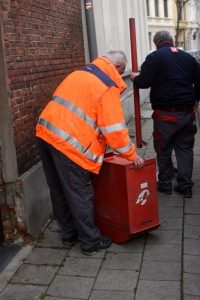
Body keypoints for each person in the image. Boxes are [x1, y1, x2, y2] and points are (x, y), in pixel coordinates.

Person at [36, 50, 144, 255]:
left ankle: (68, 234)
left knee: (59, 189)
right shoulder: (106, 86)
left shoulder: (80, 73)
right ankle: (91, 241)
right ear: (119, 68)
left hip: (45, 132)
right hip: (68, 143)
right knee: (80, 191)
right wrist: (132, 155)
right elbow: (114, 130)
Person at [130, 31, 200, 198]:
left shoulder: (154, 57)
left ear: (156, 43)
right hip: (186, 113)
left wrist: (134, 78)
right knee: (185, 149)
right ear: (172, 41)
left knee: (163, 148)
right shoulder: (188, 58)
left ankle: (165, 184)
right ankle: (185, 185)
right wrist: (195, 101)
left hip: (165, 114)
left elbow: (144, 82)